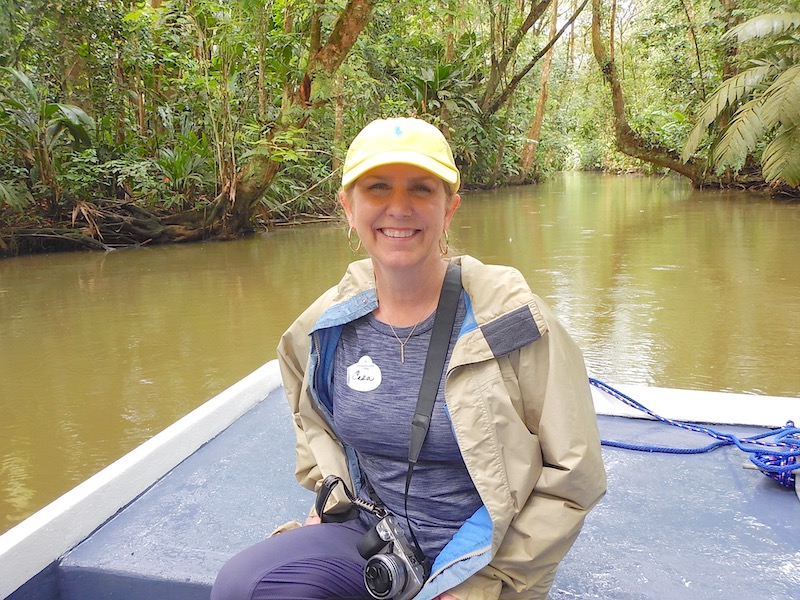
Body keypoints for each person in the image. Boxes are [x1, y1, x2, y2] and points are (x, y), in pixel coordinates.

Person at [211, 117, 607, 600]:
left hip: (490, 556)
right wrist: (330, 494)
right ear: (348, 208)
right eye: (378, 188)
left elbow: (574, 476)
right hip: (377, 541)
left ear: (449, 209)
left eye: (421, 189)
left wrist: (478, 585)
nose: (399, 208)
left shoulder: (512, 323)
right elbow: (312, 423)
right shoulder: (324, 327)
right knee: (243, 586)